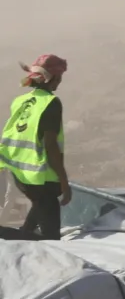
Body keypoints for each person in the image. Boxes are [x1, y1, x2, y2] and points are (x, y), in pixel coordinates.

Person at [0, 54, 71, 240]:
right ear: (53, 78)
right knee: (51, 238)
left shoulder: (20, 101)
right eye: (60, 77)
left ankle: (25, 234)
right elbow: (50, 145)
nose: (60, 82)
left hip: (20, 175)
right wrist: (64, 181)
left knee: (38, 210)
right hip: (41, 178)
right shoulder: (51, 103)